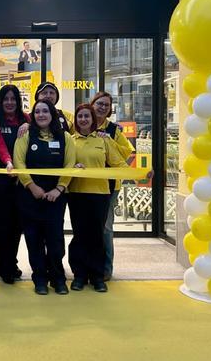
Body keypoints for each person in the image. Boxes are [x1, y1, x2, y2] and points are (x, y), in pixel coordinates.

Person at [68, 103, 148, 293]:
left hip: (100, 194)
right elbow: (64, 163)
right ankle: (79, 275)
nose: (83, 120)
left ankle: (97, 276)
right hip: (76, 194)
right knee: (79, 235)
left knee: (97, 236)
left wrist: (140, 174)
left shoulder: (104, 140)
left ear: (92, 119)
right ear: (76, 120)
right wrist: (73, 167)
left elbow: (119, 163)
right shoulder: (70, 140)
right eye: (80, 117)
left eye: (87, 116)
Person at [12, 99, 74, 295]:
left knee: (55, 241)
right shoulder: (25, 135)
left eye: (45, 111)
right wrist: (32, 186)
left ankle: (58, 279)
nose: (41, 115)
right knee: (34, 240)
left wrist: (59, 189)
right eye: (37, 111)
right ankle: (39, 279)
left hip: (55, 198)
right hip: (30, 196)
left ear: (52, 114)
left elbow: (70, 165)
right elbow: (18, 162)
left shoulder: (65, 137)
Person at [0, 85, 28, 284]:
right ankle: (5, 267)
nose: (9, 102)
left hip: (21, 180)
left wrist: (30, 126)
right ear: (0, 102)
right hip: (0, 179)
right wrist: (9, 162)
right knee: (2, 225)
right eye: (6, 99)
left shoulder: (27, 120)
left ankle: (12, 262)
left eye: (13, 99)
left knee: (17, 225)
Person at [91, 91, 135, 281]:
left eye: (106, 105)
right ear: (92, 104)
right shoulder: (82, 124)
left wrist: (108, 142)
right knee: (87, 228)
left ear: (110, 110)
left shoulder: (114, 130)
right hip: (85, 184)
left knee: (106, 228)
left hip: (109, 186)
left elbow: (126, 154)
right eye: (99, 103)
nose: (102, 107)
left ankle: (106, 269)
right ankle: (87, 266)